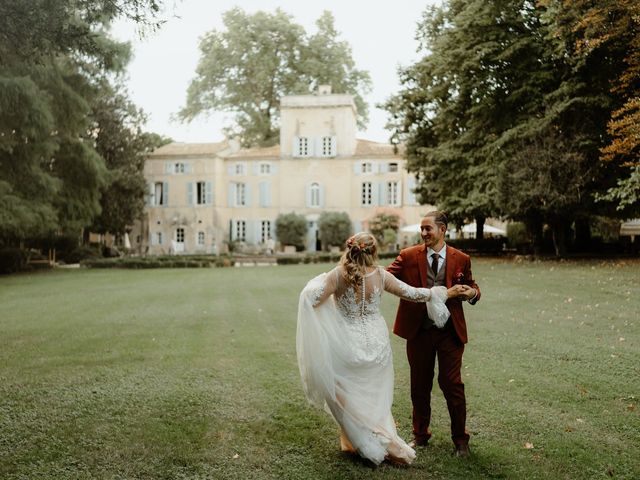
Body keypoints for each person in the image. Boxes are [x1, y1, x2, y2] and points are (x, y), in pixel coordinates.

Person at [296, 232, 467, 466]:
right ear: (373, 252)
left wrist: (314, 285)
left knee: (343, 391)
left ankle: (371, 442)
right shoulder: (381, 275)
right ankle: (374, 437)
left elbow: (312, 301)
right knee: (373, 396)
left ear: (350, 250)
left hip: (347, 344)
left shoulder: (337, 276)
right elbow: (413, 293)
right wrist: (444, 293)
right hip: (377, 345)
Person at [387, 211, 480, 457]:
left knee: (452, 384)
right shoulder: (407, 256)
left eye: (428, 228)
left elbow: (472, 285)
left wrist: (471, 294)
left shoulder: (461, 258)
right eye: (422, 229)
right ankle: (420, 435)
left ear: (442, 230)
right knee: (419, 385)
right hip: (419, 331)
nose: (424, 233)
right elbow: (385, 277)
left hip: (450, 332)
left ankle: (461, 441)